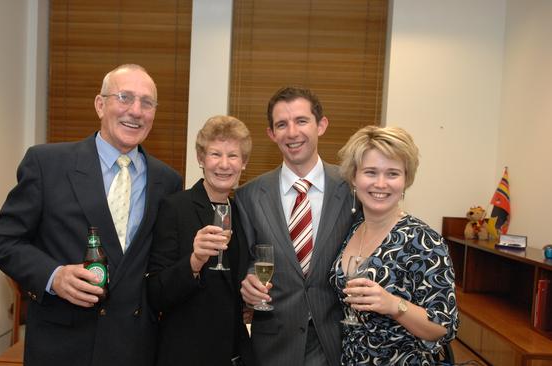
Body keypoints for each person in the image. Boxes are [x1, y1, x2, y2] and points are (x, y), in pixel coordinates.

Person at [0, 64, 182, 365]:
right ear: (100, 105)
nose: (136, 111)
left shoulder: (167, 181)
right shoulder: (47, 164)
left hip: (135, 348)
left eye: (147, 102)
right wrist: (54, 275)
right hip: (63, 345)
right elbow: (3, 241)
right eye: (125, 97)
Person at [236, 86, 355, 366]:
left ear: (321, 125)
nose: (292, 132)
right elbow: (249, 259)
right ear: (271, 134)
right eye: (281, 124)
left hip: (336, 341)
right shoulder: (248, 196)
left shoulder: (352, 188)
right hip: (274, 344)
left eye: (301, 121)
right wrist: (249, 282)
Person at [329, 125, 459, 365]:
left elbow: (444, 326)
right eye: (370, 172)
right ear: (354, 178)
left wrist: (393, 305)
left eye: (392, 173)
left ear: (405, 180)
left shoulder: (423, 240)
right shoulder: (351, 229)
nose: (381, 183)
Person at [147, 115, 255, 366]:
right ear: (200, 159)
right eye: (215, 154)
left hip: (232, 353)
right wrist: (194, 261)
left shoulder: (241, 212)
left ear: (244, 163)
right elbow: (156, 292)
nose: (224, 164)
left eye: (233, 156)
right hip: (186, 352)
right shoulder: (175, 207)